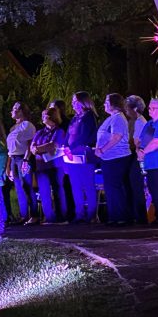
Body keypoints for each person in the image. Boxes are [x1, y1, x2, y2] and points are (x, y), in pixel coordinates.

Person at [62, 92, 99, 224]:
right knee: (76, 186)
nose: (73, 104)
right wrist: (65, 147)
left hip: (84, 156)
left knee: (88, 185)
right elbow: (68, 135)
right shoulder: (75, 118)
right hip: (72, 157)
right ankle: (79, 214)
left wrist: (73, 148)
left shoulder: (89, 117)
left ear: (83, 102)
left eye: (75, 101)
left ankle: (91, 214)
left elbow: (86, 136)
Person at [96, 94, 133, 225]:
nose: (104, 104)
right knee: (110, 187)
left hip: (117, 157)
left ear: (114, 103)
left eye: (107, 101)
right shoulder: (111, 118)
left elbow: (117, 136)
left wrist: (102, 150)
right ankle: (114, 216)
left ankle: (121, 216)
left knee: (115, 186)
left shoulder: (118, 118)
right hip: (108, 158)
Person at [29, 108, 67, 225]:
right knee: (44, 192)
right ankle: (49, 217)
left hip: (55, 165)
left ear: (52, 116)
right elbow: (32, 146)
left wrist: (38, 148)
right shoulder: (40, 132)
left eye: (45, 115)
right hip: (41, 166)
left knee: (57, 190)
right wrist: (36, 148)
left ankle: (61, 217)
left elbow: (53, 145)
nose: (43, 117)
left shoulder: (59, 131)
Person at [6, 101, 38, 225]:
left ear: (21, 111)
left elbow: (30, 144)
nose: (12, 111)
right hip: (14, 158)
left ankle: (34, 215)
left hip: (22, 158)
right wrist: (8, 166)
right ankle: (24, 215)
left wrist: (26, 159)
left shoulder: (27, 125)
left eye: (14, 109)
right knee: (19, 188)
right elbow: (10, 149)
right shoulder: (13, 128)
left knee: (27, 186)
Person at [124, 95, 150, 225]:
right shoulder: (133, 121)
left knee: (136, 186)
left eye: (127, 108)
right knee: (132, 185)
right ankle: (135, 215)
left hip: (137, 156)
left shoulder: (140, 122)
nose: (126, 111)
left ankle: (140, 216)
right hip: (133, 155)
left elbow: (136, 141)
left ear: (134, 108)